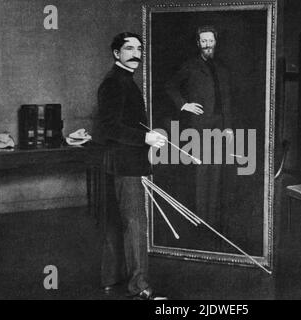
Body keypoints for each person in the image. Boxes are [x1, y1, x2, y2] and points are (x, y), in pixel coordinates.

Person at [94, 32, 167, 300]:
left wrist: (146, 137)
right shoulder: (114, 83)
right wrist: (145, 137)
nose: (136, 53)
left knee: (117, 223)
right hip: (126, 165)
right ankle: (140, 288)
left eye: (139, 48)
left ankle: (110, 279)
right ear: (116, 53)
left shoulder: (123, 80)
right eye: (129, 49)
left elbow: (123, 123)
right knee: (135, 225)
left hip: (121, 164)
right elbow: (109, 127)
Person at [164, 25, 233, 250]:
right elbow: (170, 85)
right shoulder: (190, 66)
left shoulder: (222, 68)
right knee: (201, 175)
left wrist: (229, 127)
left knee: (216, 174)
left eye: (210, 40)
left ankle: (212, 222)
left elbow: (227, 101)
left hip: (219, 128)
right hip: (199, 129)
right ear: (198, 44)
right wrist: (184, 105)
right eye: (203, 41)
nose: (207, 45)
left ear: (216, 41)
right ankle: (199, 223)